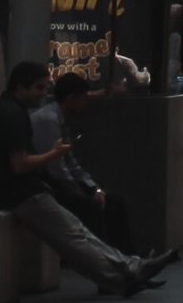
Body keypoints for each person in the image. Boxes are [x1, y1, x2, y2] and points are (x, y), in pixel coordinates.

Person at [0, 62, 174, 296]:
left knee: (77, 233)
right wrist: (53, 154)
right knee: (74, 236)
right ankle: (125, 273)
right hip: (18, 193)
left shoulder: (2, 110)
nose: (43, 94)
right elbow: (19, 164)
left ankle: (129, 271)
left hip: (9, 190)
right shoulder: (14, 116)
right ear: (20, 86)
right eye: (39, 88)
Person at [29, 72, 134, 253]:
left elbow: (71, 163)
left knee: (114, 202)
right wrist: (81, 192)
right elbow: (56, 167)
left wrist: (94, 188)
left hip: (63, 182)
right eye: (83, 99)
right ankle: (109, 257)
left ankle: (129, 255)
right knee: (92, 207)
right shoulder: (48, 120)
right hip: (50, 185)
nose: (85, 104)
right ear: (71, 99)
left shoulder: (60, 119)